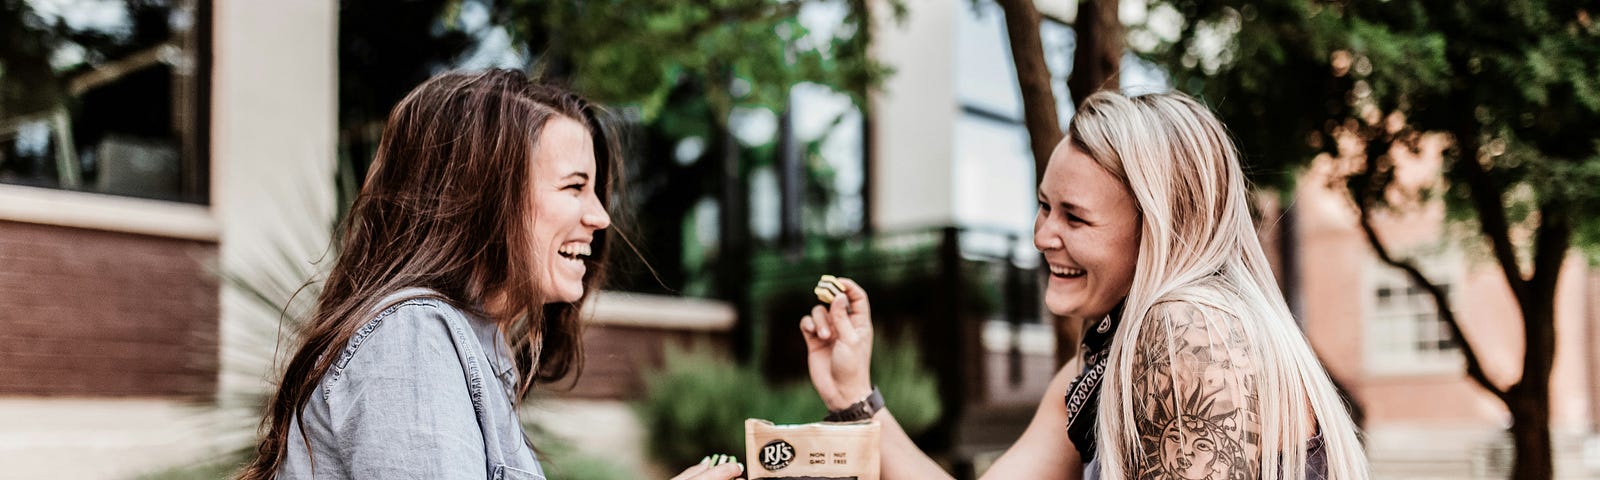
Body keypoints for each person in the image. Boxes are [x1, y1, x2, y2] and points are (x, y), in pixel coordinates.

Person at [800, 91, 1369, 479]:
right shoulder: (1096, 367)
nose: (1042, 235)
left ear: (1159, 229)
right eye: (1044, 207)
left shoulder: (1190, 331)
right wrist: (854, 396)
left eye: (1075, 217)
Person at [237, 69, 743, 480]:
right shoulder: (411, 339)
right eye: (574, 187)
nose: (600, 217)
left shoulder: (473, 346)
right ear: (485, 197)